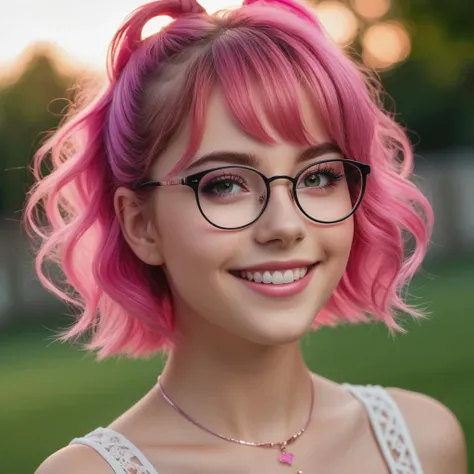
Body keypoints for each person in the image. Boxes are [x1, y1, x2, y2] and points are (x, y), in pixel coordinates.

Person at [27, 0, 467, 472]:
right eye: (226, 184)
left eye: (319, 176)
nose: (284, 226)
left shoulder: (424, 440)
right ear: (141, 225)